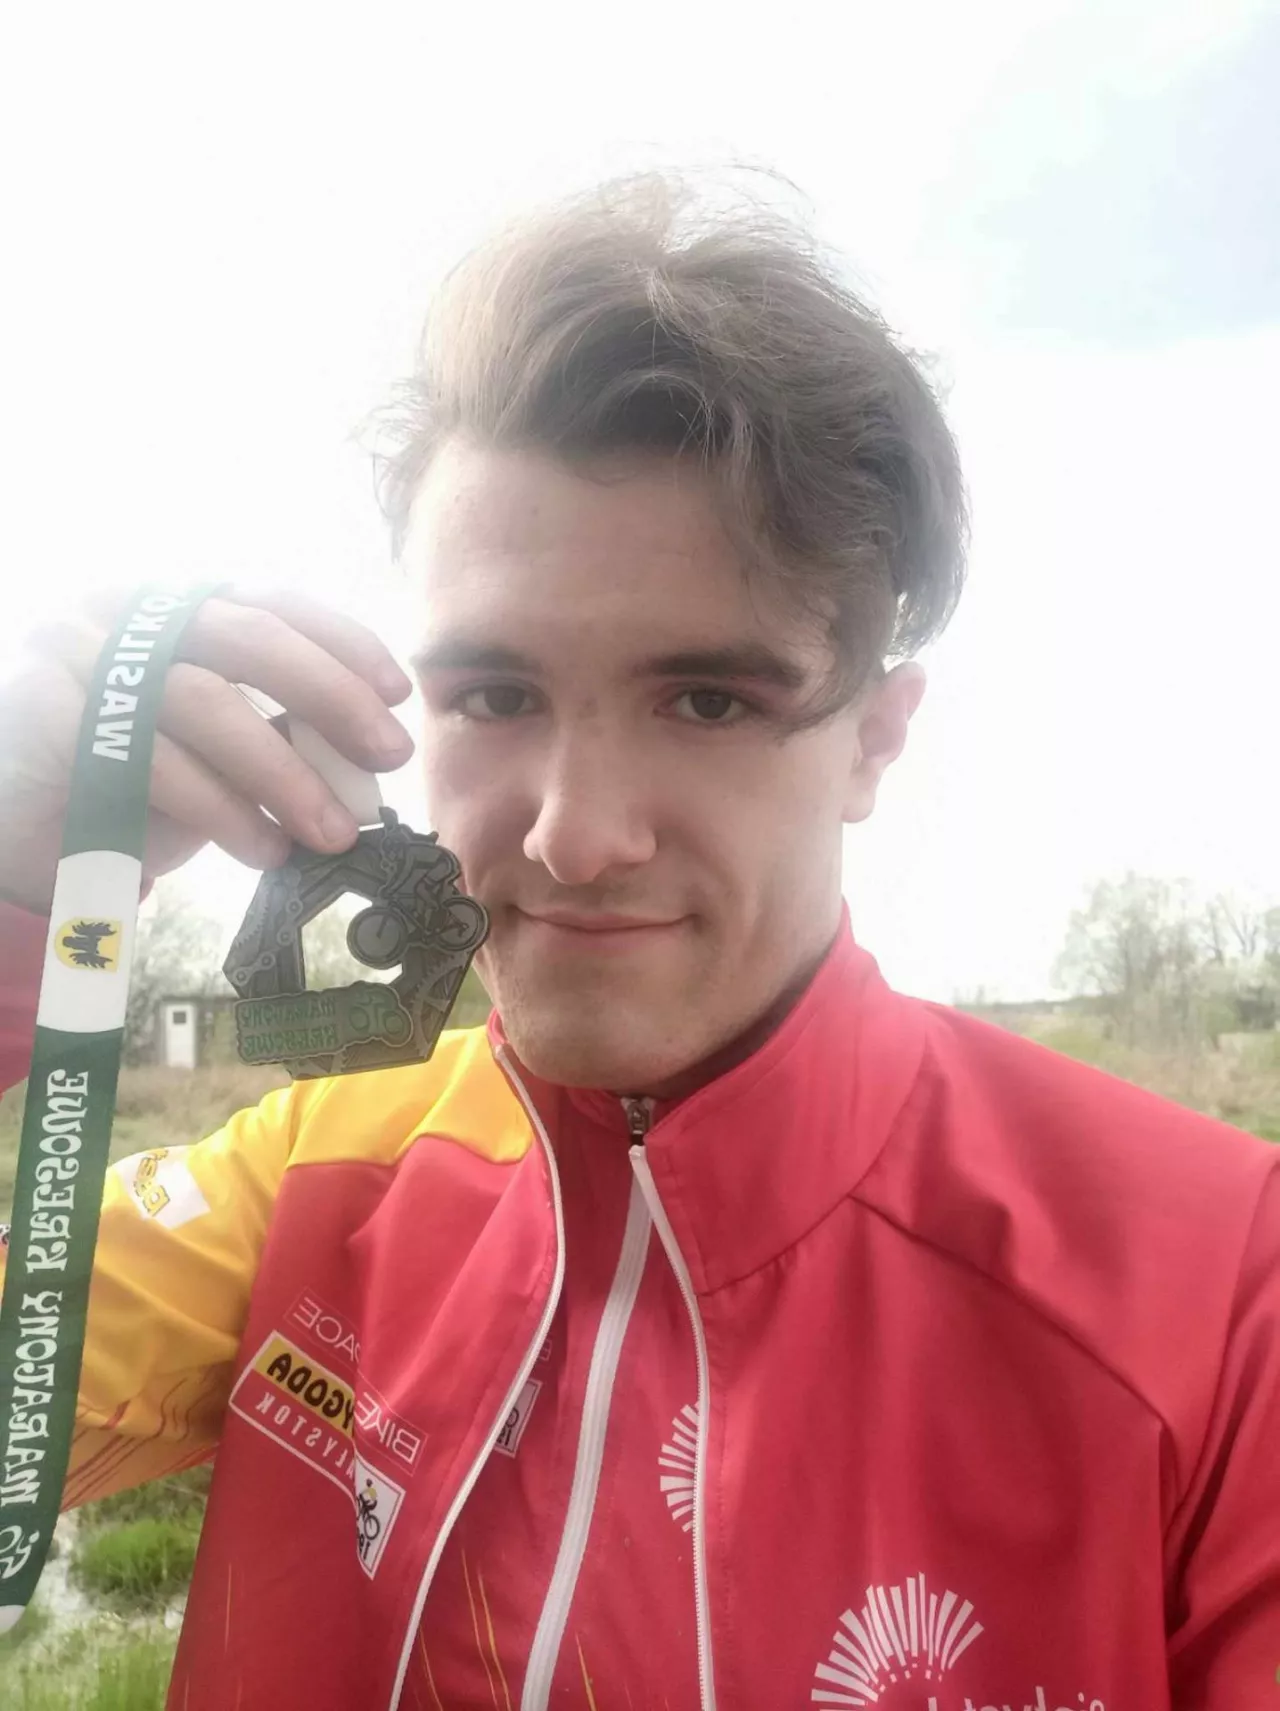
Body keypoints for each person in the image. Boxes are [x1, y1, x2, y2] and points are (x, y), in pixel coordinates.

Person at [0, 172, 1276, 1711]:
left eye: (709, 699)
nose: (573, 835)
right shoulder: (318, 1179)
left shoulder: (1224, 1295)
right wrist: (13, 889)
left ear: (875, 738)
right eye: (494, 695)